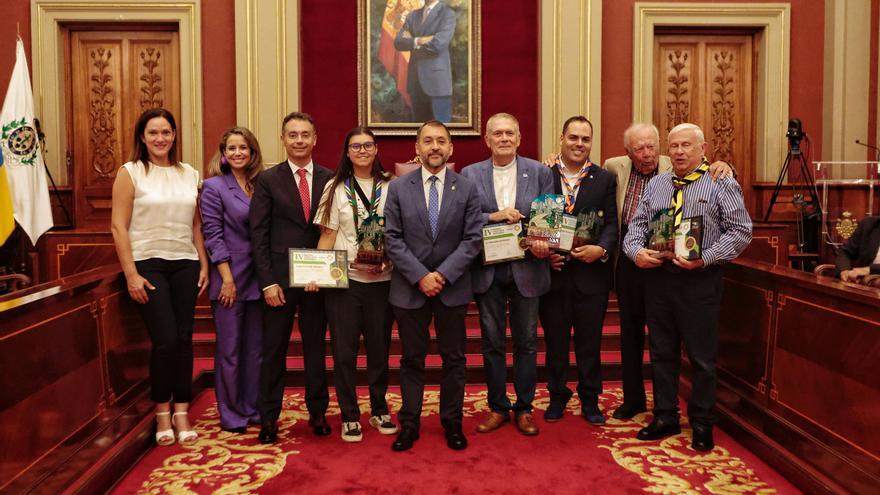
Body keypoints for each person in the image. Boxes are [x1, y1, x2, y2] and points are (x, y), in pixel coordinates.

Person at [623, 122, 752, 452]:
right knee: (662, 353)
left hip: (700, 281)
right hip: (659, 280)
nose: (679, 152)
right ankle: (665, 416)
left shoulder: (721, 182)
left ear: (703, 148)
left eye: (686, 146)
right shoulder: (658, 185)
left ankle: (701, 422)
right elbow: (636, 228)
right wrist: (636, 252)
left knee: (701, 358)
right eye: (674, 146)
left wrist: (705, 258)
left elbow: (740, 232)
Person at [604, 123, 733, 420]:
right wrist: (635, 252)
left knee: (674, 342)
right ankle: (636, 400)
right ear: (628, 152)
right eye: (639, 148)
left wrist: (725, 165)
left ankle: (694, 417)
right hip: (633, 257)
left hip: (678, 266)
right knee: (632, 333)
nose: (647, 154)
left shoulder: (676, 166)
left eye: (652, 146)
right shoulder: (614, 167)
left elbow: (709, 166)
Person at [110, 107, 208, 446]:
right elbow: (118, 226)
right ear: (142, 137)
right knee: (165, 339)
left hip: (185, 262)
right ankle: (162, 413)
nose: (160, 138)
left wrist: (204, 263)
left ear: (175, 135)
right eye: (153, 133)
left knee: (183, 339)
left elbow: (196, 225)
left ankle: (182, 411)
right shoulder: (131, 172)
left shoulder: (189, 173)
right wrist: (131, 274)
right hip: (147, 264)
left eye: (166, 132)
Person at [384, 120, 482, 451]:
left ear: (451, 148)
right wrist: (420, 276)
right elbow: (392, 239)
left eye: (441, 141)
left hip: (451, 287)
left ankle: (452, 422)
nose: (435, 146)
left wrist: (441, 275)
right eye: (428, 141)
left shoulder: (466, 187)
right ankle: (409, 423)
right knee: (412, 359)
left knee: (454, 359)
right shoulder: (398, 187)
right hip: (409, 289)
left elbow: (473, 238)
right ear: (417, 148)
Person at [460, 113, 553, 436]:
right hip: (488, 269)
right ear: (487, 139)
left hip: (528, 268)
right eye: (497, 133)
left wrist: (543, 241)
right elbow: (465, 219)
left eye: (509, 133)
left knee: (527, 342)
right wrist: (495, 215)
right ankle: (498, 406)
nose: (503, 138)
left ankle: (524, 408)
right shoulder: (469, 175)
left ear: (519, 138)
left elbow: (547, 219)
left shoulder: (540, 173)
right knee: (492, 342)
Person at [249, 112, 334, 443]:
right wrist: (267, 281)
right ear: (282, 140)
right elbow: (259, 235)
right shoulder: (268, 180)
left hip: (317, 280)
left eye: (305, 135)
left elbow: (333, 229)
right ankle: (268, 417)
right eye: (292, 135)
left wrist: (325, 272)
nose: (299, 140)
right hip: (279, 283)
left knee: (315, 348)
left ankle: (318, 413)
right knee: (274, 351)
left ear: (315, 139)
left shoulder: (330, 178)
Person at [313, 127, 397, 443]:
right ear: (347, 152)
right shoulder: (335, 188)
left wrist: (390, 261)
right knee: (344, 352)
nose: (362, 150)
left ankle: (379, 408)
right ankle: (350, 415)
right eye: (355, 146)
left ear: (376, 149)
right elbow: (328, 235)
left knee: (379, 350)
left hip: (383, 280)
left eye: (367, 145)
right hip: (345, 283)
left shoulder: (392, 186)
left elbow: (401, 234)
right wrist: (318, 273)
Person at [538, 116, 619, 426]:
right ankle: (557, 396)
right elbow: (534, 220)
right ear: (561, 138)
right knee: (555, 343)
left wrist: (602, 249)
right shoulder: (543, 174)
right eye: (573, 137)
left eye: (585, 139)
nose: (579, 144)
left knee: (590, 343)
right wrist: (543, 255)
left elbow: (612, 223)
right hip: (553, 275)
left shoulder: (605, 178)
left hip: (590, 276)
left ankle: (590, 398)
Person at [199, 127, 264, 433]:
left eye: (244, 148)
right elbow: (212, 236)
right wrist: (225, 278)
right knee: (231, 351)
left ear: (252, 153)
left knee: (254, 350)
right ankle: (232, 414)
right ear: (223, 154)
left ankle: (251, 408)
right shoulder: (213, 187)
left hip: (258, 279)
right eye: (232, 148)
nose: (238, 153)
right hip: (230, 279)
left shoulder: (258, 185)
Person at [393, 0, 457, 122]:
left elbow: (438, 45)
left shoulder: (447, 14)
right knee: (420, 131)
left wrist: (411, 42)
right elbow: (398, 42)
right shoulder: (413, 15)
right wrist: (419, 41)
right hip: (415, 82)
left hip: (437, 83)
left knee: (442, 130)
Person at [835, 216, 880, 282]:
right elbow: (845, 252)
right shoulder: (868, 224)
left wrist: (869, 270)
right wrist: (844, 270)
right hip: (864, 285)